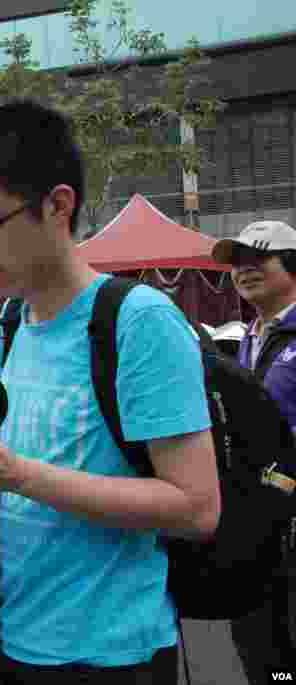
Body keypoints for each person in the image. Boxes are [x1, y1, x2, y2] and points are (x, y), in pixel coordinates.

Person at [0, 100, 220, 684]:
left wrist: (16, 474)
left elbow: (196, 509)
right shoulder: (13, 323)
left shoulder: (138, 322)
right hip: (7, 638)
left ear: (58, 204)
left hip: (110, 657)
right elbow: (2, 464)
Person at [211, 220, 296, 684]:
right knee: (260, 654)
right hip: (255, 529)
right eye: (236, 263)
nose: (244, 270)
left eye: (258, 258)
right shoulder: (248, 337)